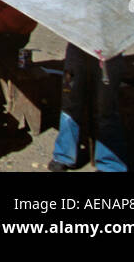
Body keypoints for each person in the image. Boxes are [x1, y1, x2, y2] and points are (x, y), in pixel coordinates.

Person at [50, 44, 127, 172]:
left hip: (110, 52)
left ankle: (109, 163)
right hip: (77, 48)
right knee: (69, 103)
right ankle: (64, 155)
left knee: (106, 109)